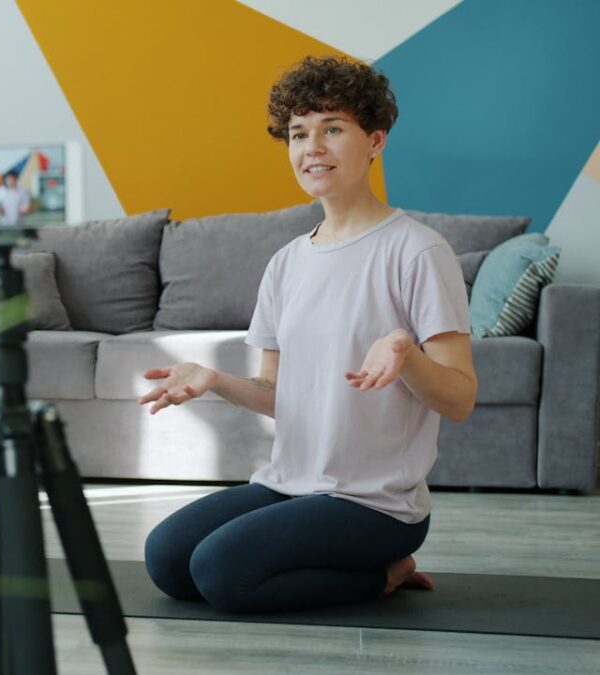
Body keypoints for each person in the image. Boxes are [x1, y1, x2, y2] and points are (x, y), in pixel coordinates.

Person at [140, 55, 477, 614]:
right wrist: (214, 379)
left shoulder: (417, 250)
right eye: (299, 133)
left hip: (376, 506)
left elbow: (461, 398)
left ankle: (386, 572)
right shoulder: (286, 262)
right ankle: (360, 569)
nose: (312, 147)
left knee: (222, 572)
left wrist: (405, 354)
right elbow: (279, 395)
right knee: (168, 560)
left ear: (374, 141)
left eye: (332, 129)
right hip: (289, 482)